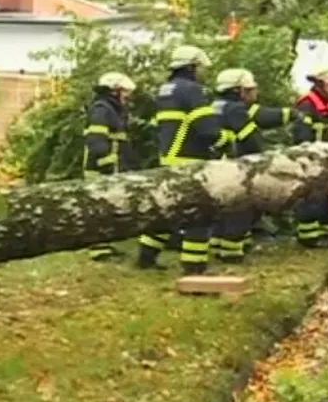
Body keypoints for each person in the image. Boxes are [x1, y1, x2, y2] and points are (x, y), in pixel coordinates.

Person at [139, 45, 225, 274]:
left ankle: (146, 257)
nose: (201, 72)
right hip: (189, 158)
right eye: (198, 68)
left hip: (169, 156)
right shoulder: (192, 90)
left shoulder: (166, 89)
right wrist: (223, 138)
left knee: (167, 210)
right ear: (191, 67)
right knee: (199, 213)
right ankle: (194, 266)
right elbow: (207, 129)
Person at [211, 68, 292, 262]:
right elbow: (250, 140)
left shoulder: (216, 105)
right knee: (239, 208)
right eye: (249, 89)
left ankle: (218, 244)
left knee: (221, 209)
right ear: (238, 90)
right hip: (235, 167)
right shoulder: (236, 109)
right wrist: (265, 157)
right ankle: (232, 253)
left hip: (218, 164)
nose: (254, 93)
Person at [84, 72, 137, 261]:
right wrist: (106, 163)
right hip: (101, 167)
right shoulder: (101, 109)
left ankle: (106, 245)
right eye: (124, 91)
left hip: (112, 165)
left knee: (109, 207)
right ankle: (98, 250)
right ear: (114, 91)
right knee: (99, 208)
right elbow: (96, 139)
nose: (127, 96)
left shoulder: (113, 109)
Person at [292, 67, 328, 247]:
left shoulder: (326, 101)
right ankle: (308, 238)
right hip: (310, 157)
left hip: (325, 156)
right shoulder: (307, 103)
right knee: (310, 197)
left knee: (324, 196)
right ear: (321, 84)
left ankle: (323, 234)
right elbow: (301, 132)